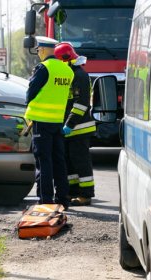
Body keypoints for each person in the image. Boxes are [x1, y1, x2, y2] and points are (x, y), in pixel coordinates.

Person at [25, 36, 74, 208]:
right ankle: (63, 199)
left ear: (44, 50)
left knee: (43, 162)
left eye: (38, 50)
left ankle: (45, 200)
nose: (38, 53)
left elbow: (31, 91)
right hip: (57, 122)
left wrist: (28, 104)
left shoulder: (43, 67)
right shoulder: (67, 70)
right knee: (59, 161)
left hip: (41, 121)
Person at [55, 42, 96, 206]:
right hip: (69, 128)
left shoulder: (80, 75)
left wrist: (69, 124)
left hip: (79, 127)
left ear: (65, 59)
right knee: (69, 162)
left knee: (81, 162)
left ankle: (86, 194)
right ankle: (73, 192)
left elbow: (81, 103)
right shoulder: (69, 74)